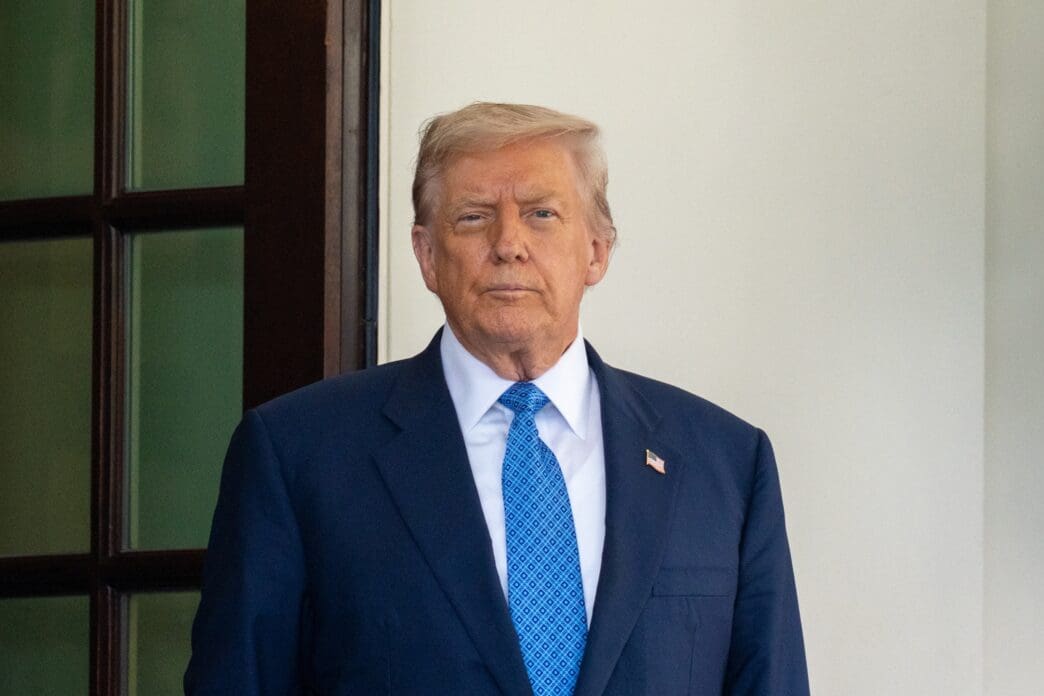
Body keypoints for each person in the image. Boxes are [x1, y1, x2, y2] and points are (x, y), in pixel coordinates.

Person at [185, 102, 809, 695]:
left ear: (597, 251)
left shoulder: (726, 463)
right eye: (474, 216)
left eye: (542, 214)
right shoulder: (298, 455)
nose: (509, 243)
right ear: (427, 256)